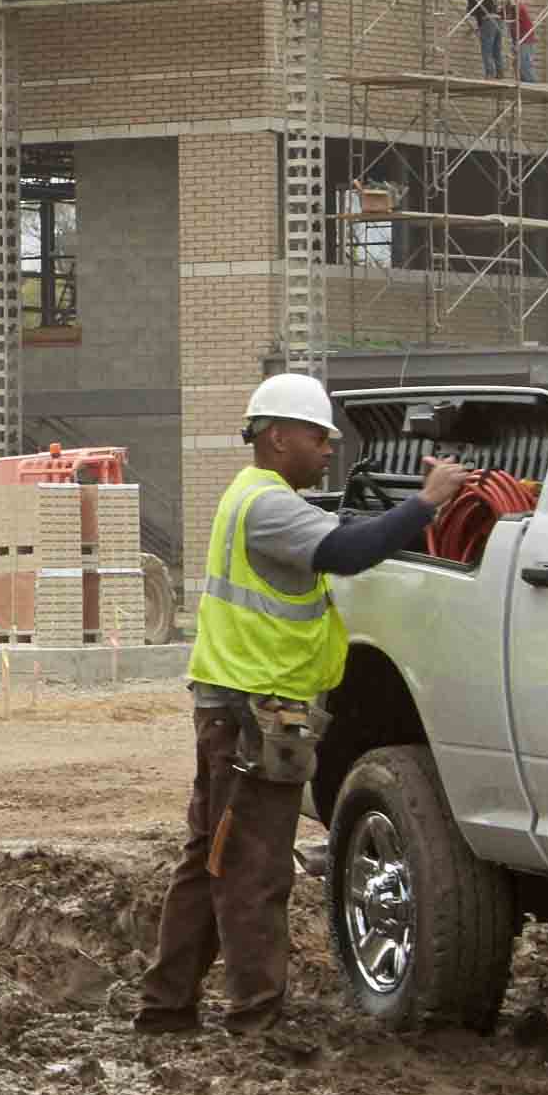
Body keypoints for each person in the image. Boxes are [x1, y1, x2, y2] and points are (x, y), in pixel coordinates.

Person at [142, 367, 400, 1035]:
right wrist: (425, 505)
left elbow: (334, 531)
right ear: (279, 437)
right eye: (319, 437)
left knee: (212, 856)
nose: (329, 449)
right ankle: (255, 1019)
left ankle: (167, 1007)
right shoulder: (270, 508)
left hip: (232, 708)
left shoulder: (252, 497)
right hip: (251, 716)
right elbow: (347, 550)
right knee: (253, 867)